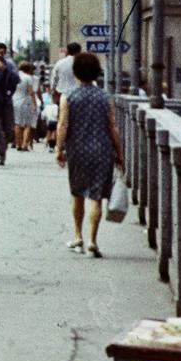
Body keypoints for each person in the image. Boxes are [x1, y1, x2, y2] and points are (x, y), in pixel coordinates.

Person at [56, 52, 124, 257]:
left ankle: (78, 237)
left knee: (77, 194)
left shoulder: (68, 96)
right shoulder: (105, 98)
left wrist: (59, 149)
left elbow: (63, 125)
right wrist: (119, 153)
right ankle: (93, 241)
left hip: (78, 150)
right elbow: (113, 127)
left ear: (75, 72)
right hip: (103, 150)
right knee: (96, 197)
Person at [13, 60, 40, 151]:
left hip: (14, 101)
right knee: (27, 124)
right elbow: (30, 92)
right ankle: (24, 144)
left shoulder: (14, 76)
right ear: (28, 69)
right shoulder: (28, 78)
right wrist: (34, 104)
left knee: (17, 123)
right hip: (25, 102)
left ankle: (18, 144)